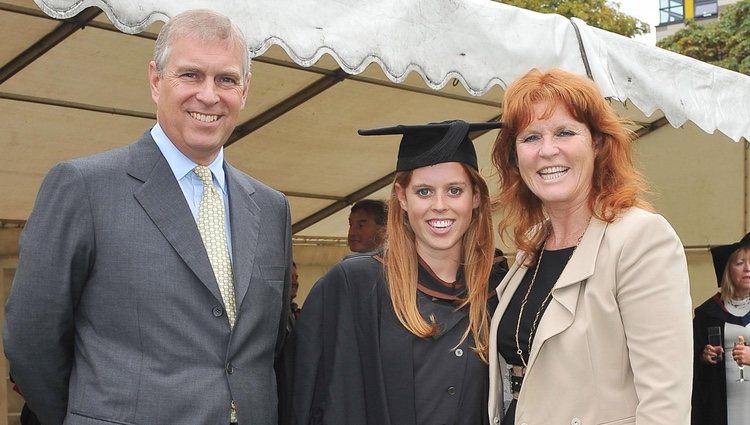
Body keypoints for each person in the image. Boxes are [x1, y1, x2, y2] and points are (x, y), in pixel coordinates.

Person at [4, 9, 292, 425]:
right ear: (156, 80)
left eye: (226, 79)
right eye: (190, 75)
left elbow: (270, 344)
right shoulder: (84, 187)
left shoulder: (271, 207)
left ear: (245, 91)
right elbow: (32, 337)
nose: (209, 95)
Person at [487, 68, 693, 425]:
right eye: (530, 137)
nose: (547, 150)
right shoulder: (531, 244)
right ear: (515, 156)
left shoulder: (641, 238)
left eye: (565, 132)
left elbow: (665, 405)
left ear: (597, 143)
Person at [281, 120, 507, 425]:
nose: (439, 206)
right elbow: (304, 393)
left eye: (455, 190)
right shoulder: (355, 285)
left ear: (476, 197)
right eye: (424, 191)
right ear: (402, 197)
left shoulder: (497, 291)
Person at [692, 232, 750, 425]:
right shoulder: (708, 313)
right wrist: (704, 356)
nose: (748, 269)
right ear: (727, 269)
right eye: (740, 263)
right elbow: (691, 360)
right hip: (722, 401)